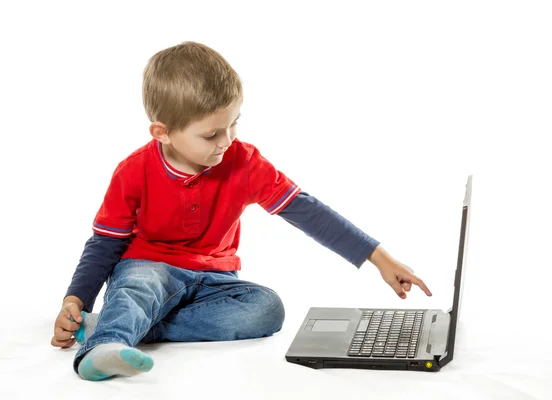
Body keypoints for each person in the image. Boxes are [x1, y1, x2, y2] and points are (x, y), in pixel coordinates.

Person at [51, 41, 432, 381]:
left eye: (233, 125)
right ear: (162, 133)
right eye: (211, 134)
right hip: (150, 268)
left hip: (214, 280)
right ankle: (102, 351)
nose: (226, 141)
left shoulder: (244, 162)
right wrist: (75, 300)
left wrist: (379, 258)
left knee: (267, 310)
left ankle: (115, 325)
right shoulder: (133, 171)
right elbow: (104, 243)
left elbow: (309, 212)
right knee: (138, 285)